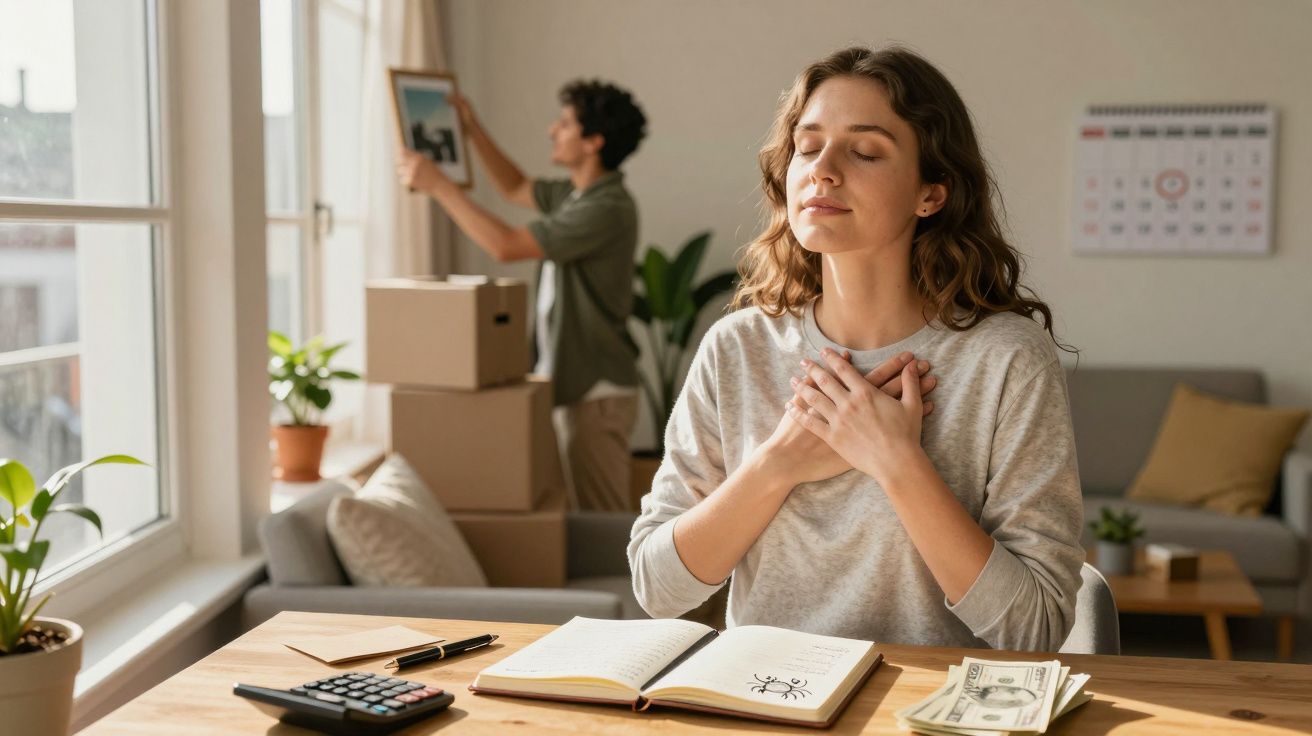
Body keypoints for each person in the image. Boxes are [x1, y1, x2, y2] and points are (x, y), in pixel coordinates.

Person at [627, 46, 1084, 652]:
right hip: (764, 694)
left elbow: (1036, 630)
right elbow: (658, 590)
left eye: (865, 151)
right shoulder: (737, 348)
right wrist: (778, 464)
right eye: (807, 147)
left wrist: (896, 461)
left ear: (931, 194)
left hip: (932, 699)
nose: (823, 170)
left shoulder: (1007, 360)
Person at [397, 80, 647, 513]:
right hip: (576, 387)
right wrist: (471, 128)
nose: (553, 130)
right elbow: (513, 186)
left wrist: (440, 187)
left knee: (603, 520)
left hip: (596, 394)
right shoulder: (575, 196)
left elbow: (506, 246)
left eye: (565, 124)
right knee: (582, 518)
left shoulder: (607, 208)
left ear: (594, 142)